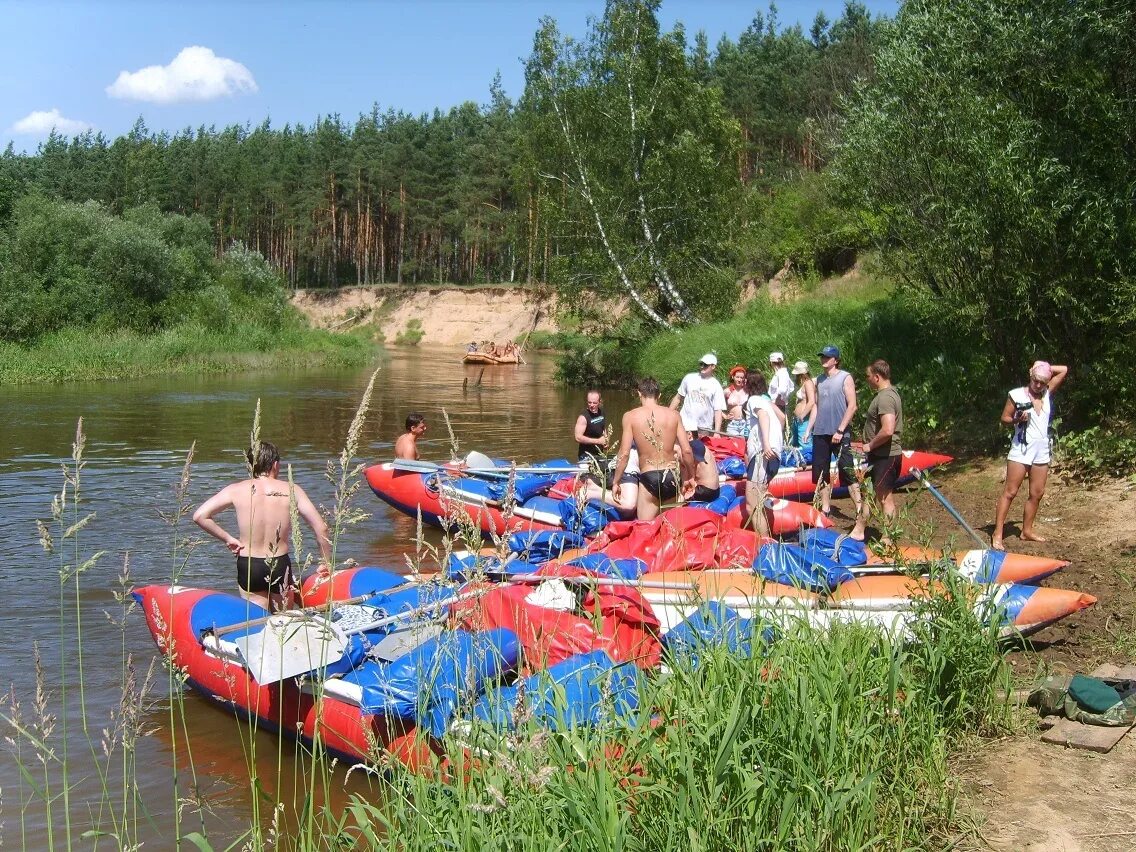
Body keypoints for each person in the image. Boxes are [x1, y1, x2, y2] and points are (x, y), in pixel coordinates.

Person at [193, 441, 332, 611]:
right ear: (275, 464)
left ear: (252, 464)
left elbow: (200, 516)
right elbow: (321, 527)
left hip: (249, 564)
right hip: (279, 562)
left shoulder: (235, 489)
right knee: (283, 623)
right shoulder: (292, 490)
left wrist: (228, 539)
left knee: (257, 623)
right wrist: (326, 562)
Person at [992, 361, 1069, 550]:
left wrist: (1044, 366)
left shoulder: (1046, 393)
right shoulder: (1016, 394)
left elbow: (1065, 370)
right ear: (1030, 377)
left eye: (1043, 381)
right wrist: (1016, 419)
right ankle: (998, 533)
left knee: (1037, 493)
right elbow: (1004, 419)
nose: (1038, 385)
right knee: (1010, 492)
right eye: (1036, 380)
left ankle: (1027, 531)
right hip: (1021, 449)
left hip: (1041, 449)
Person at [614, 377, 695, 521]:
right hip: (671, 476)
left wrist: (616, 481)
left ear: (639, 393)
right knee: (672, 530)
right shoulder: (674, 415)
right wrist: (691, 476)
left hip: (648, 476)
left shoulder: (630, 416)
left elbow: (624, 454)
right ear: (660, 395)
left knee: (645, 530)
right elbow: (687, 450)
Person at [852, 360, 903, 542]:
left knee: (884, 498)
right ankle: (859, 530)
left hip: (886, 456)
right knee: (869, 494)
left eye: (868, 376)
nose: (867, 380)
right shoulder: (886, 395)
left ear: (876, 377)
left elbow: (888, 429)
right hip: (879, 455)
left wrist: (870, 445)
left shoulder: (886, 398)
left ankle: (888, 538)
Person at [812, 345, 860, 519]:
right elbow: (816, 406)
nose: (823, 359)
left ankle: (860, 510)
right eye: (822, 357)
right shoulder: (819, 380)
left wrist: (840, 429)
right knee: (820, 472)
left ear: (836, 360)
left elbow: (852, 405)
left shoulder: (845, 377)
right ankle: (825, 508)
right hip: (820, 433)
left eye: (827, 357)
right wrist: (810, 428)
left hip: (839, 432)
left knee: (847, 470)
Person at [742, 370, 785, 537]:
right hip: (773, 454)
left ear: (747, 384)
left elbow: (764, 416)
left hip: (763, 455)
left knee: (752, 504)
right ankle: (767, 538)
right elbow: (781, 417)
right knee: (760, 500)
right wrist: (776, 440)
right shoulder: (766, 400)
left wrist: (766, 444)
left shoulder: (753, 400)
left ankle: (765, 544)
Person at [670, 353, 726, 437]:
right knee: (682, 448)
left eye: (706, 365)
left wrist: (717, 432)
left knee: (699, 449)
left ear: (713, 366)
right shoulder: (689, 378)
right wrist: (668, 414)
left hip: (703, 427)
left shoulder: (716, 385)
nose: (702, 366)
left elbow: (718, 410)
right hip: (685, 424)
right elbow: (678, 398)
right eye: (701, 364)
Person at [574, 390, 608, 463]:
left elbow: (603, 428)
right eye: (589, 402)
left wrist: (606, 441)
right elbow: (578, 437)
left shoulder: (602, 412)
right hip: (586, 456)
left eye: (594, 403)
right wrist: (598, 441)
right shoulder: (583, 417)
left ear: (599, 402)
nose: (591, 405)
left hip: (599, 454)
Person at [685, 439, 721, 503]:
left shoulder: (691, 451)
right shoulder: (705, 449)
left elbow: (690, 476)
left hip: (704, 491)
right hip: (717, 491)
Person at [790, 360, 816, 449]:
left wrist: (802, 415)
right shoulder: (804, 384)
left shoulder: (808, 383)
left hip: (804, 419)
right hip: (798, 420)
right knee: (796, 447)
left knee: (805, 446)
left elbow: (812, 401)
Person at [723, 365, 750, 436]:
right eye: (737, 377)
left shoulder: (747, 391)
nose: (739, 379)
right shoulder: (727, 391)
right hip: (732, 423)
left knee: (745, 444)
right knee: (733, 444)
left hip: (745, 422)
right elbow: (717, 405)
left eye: (742, 378)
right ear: (733, 377)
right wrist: (724, 416)